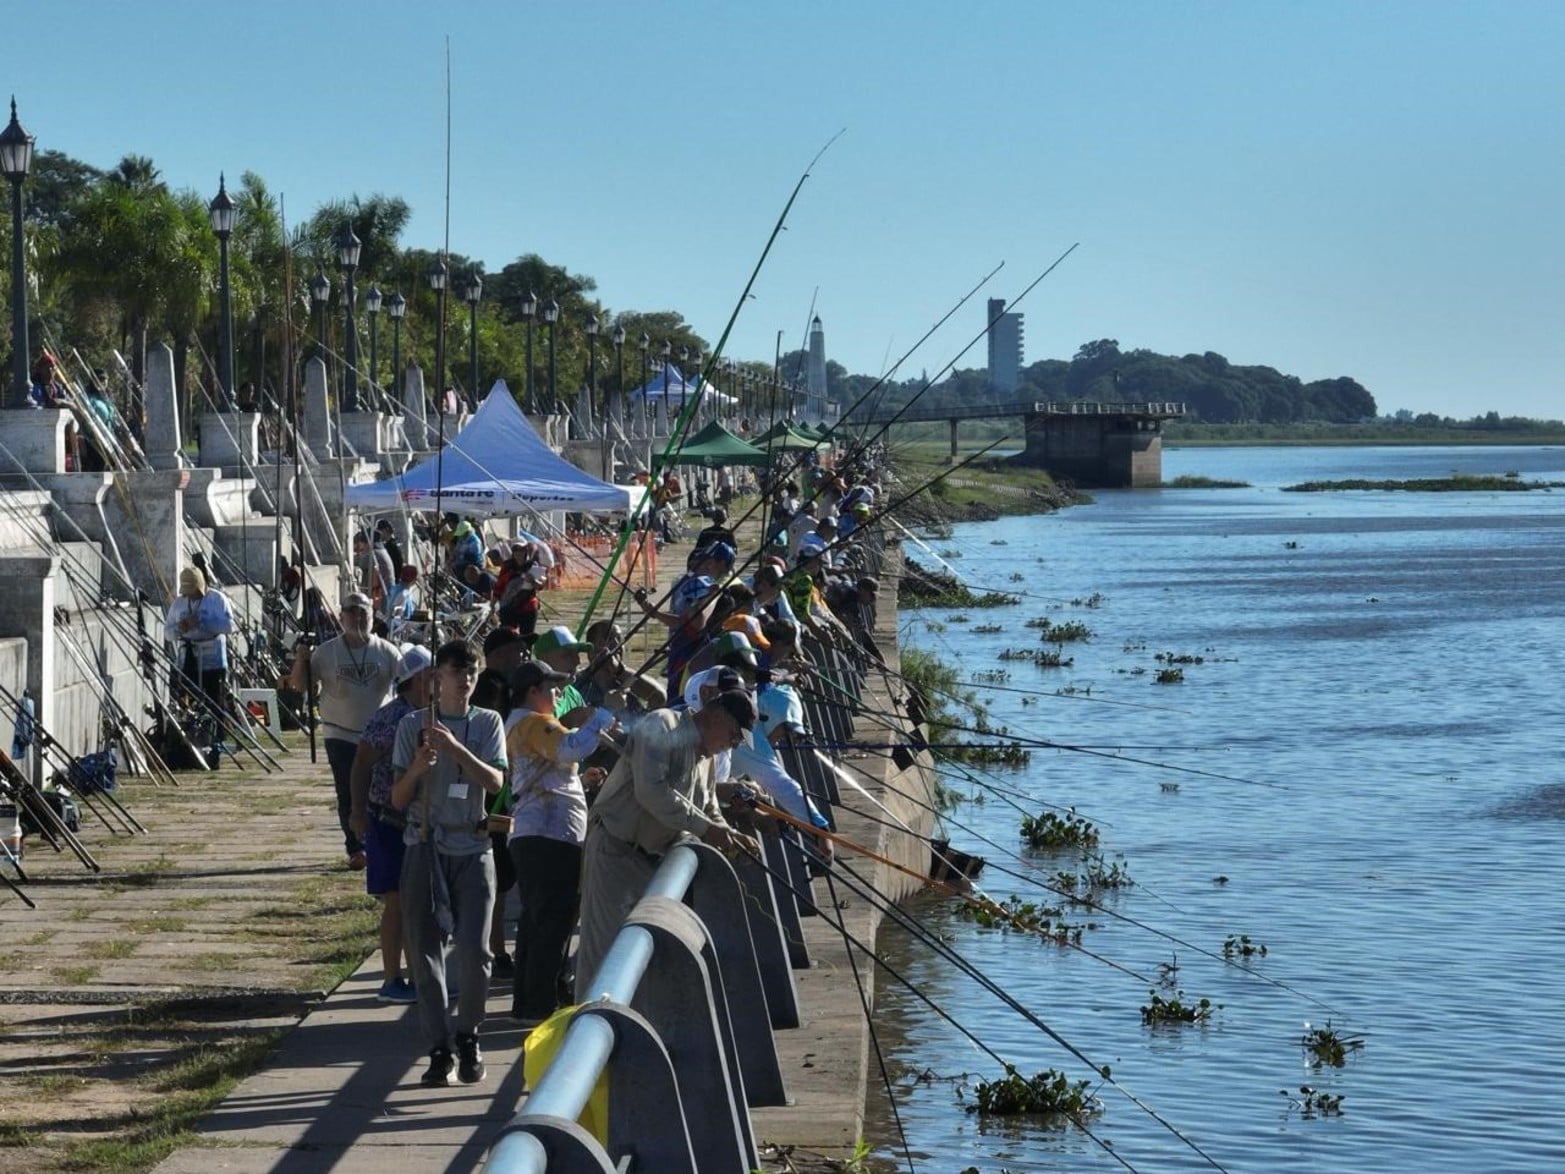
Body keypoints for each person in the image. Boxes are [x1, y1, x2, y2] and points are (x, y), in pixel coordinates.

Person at [574, 690, 761, 999]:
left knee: (644, 961)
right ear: (715, 717)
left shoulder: (708, 759)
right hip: (616, 853)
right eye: (733, 735)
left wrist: (730, 835)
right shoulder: (661, 725)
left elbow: (709, 806)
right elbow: (652, 792)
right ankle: (584, 1030)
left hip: (654, 863)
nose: (734, 744)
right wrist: (708, 830)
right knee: (604, 957)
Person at [390, 639, 507, 1087]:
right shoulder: (411, 726)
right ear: (435, 678)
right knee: (424, 953)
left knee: (477, 952)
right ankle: (438, 1046)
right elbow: (399, 798)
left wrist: (456, 750)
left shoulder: (488, 721)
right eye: (457, 671)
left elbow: (495, 780)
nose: (466, 679)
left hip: (473, 847)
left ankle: (469, 1034)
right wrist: (421, 764)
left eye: (472, 671)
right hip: (423, 845)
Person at [504, 659, 616, 1025]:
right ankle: (542, 1003)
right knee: (554, 920)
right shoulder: (534, 722)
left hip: (538, 833)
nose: (557, 694)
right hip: (550, 835)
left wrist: (580, 783)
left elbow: (549, 767)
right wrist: (599, 719)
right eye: (551, 688)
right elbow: (570, 748)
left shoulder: (524, 724)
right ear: (532, 690)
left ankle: (529, 1001)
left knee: (537, 921)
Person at [288, 592, 400, 870]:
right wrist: (302, 659)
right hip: (340, 733)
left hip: (378, 734)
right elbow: (299, 686)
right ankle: (355, 846)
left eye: (363, 613)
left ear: (373, 617)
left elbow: (406, 682)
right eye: (351, 612)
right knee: (348, 789)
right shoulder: (327, 652)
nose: (358, 618)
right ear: (341, 617)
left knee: (380, 789)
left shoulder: (387, 651)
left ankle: (378, 840)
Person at [348, 644, 432, 1004]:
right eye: (433, 676)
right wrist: (356, 811)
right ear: (417, 680)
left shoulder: (434, 716)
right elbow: (362, 763)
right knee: (396, 901)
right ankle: (391, 978)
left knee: (420, 902)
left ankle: (420, 975)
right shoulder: (391, 718)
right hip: (388, 819)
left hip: (422, 821)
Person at [164, 566, 235, 720]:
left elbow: (229, 626)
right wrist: (180, 628)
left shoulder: (217, 599)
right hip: (187, 658)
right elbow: (168, 634)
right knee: (184, 695)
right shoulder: (178, 604)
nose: (192, 596)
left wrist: (203, 623)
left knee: (215, 699)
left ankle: (217, 734)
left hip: (212, 660)